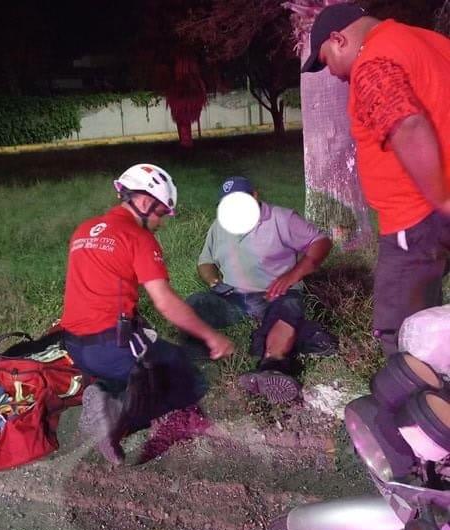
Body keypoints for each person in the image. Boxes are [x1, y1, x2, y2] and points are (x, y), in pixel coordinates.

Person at [60, 163, 235, 464]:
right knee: (178, 365)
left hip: (74, 347)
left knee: (142, 355)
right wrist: (212, 336)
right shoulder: (138, 238)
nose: (162, 221)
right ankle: (125, 412)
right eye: (161, 212)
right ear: (143, 202)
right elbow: (165, 302)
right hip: (109, 346)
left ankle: (107, 394)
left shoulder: (83, 230)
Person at [302, 3, 450, 356]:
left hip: (414, 219)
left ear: (339, 40)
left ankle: (418, 410)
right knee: (430, 313)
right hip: (434, 211)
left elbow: (406, 124)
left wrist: (442, 200)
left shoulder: (372, 62)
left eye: (325, 61)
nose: (333, 74)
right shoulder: (430, 42)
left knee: (401, 332)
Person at [185, 176, 333, 403]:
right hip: (233, 296)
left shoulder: (281, 218)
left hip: (275, 293)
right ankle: (195, 366)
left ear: (254, 196)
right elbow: (205, 262)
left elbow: (321, 242)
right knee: (196, 304)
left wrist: (293, 274)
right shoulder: (220, 226)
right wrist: (215, 282)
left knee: (287, 310)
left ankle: (272, 366)